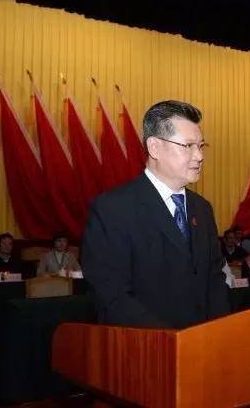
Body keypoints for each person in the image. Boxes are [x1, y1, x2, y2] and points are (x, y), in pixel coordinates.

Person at [82, 100, 229, 329]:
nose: (199, 156)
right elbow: (112, 295)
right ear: (154, 147)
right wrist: (169, 340)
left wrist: (217, 330)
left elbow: (215, 278)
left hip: (203, 341)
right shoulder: (113, 209)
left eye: (201, 146)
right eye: (188, 146)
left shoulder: (202, 209)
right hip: (147, 344)